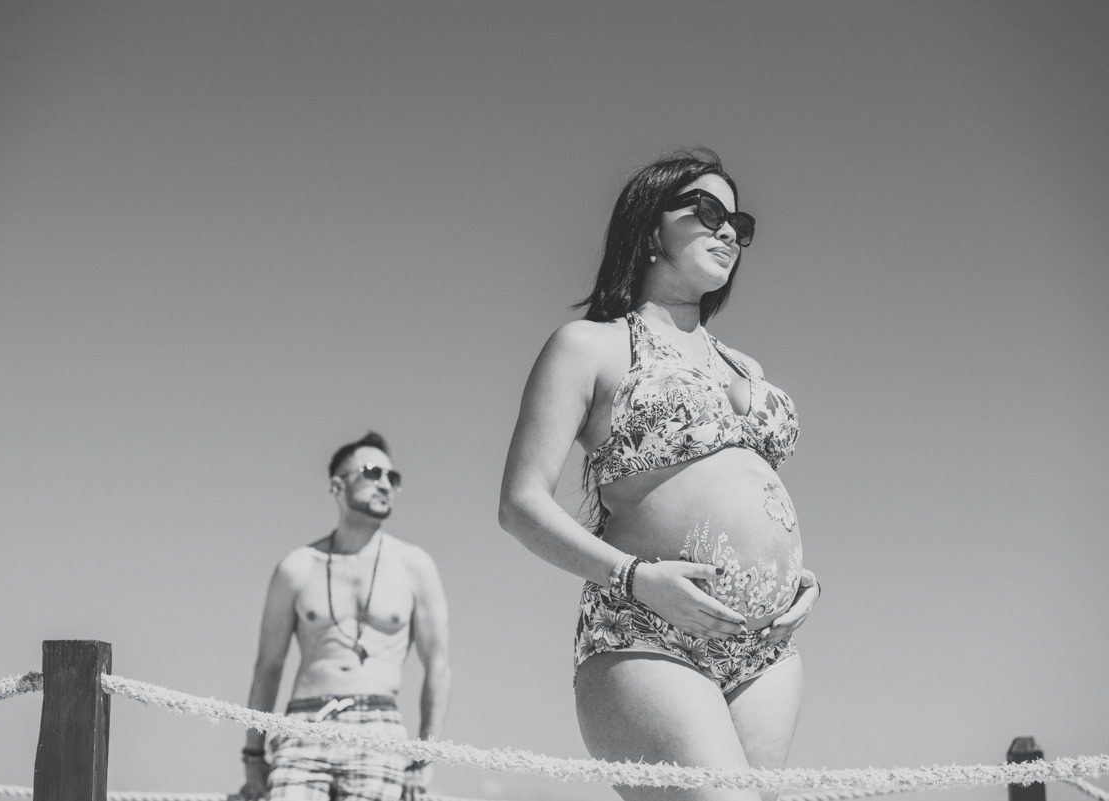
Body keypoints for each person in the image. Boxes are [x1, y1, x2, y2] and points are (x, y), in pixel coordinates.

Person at [498, 150, 821, 801]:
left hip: (764, 648)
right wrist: (636, 577)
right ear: (649, 227)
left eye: (739, 223)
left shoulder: (746, 367)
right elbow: (520, 503)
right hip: (645, 631)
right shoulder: (590, 345)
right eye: (706, 210)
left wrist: (796, 578)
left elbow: (746, 490)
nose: (727, 230)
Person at [237, 431, 451, 801]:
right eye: (372, 472)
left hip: (378, 726)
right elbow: (269, 665)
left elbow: (438, 666)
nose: (385, 484)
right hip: (304, 723)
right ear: (337, 486)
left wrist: (424, 758)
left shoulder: (414, 566)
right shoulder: (297, 568)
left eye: (393, 477)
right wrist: (253, 755)